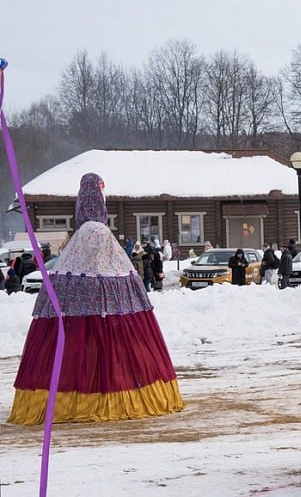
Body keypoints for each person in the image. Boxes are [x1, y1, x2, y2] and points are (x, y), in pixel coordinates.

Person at [7, 172, 184, 426]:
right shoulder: (103, 235)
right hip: (110, 298)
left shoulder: (78, 241)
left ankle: (62, 401)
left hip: (74, 306)